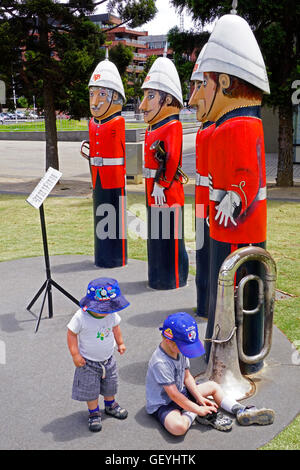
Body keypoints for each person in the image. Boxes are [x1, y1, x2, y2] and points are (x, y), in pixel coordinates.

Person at [196, 12, 270, 372]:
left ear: (224, 82)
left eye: (205, 84)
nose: (200, 93)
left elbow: (250, 172)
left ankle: (242, 355)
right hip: (222, 227)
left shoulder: (242, 124)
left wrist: (236, 195)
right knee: (221, 290)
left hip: (241, 230)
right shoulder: (223, 127)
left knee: (239, 290)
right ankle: (219, 345)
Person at [146, 312, 275, 436]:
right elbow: (173, 395)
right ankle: (195, 413)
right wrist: (197, 409)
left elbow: (187, 376)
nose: (186, 350)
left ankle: (239, 409)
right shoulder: (160, 362)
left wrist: (199, 397)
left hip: (181, 393)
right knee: (178, 428)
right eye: (185, 346)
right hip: (165, 403)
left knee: (213, 386)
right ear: (169, 341)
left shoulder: (179, 350)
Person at [139, 54, 189, 290]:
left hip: (165, 189)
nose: (142, 104)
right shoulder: (153, 127)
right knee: (156, 236)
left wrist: (162, 183)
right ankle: (158, 274)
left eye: (150, 96)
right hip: (153, 188)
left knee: (170, 237)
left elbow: (171, 158)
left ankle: (173, 277)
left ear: (167, 98)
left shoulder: (173, 125)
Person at [81, 51, 127, 268]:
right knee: (100, 215)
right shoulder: (92, 123)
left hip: (114, 178)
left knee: (113, 216)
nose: (95, 102)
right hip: (97, 176)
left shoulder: (117, 122)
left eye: (101, 95)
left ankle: (116, 257)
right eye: (92, 95)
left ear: (115, 97)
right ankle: (103, 255)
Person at [67, 277, 129, 432]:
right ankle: (94, 412)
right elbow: (71, 334)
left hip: (108, 360)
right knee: (90, 390)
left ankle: (110, 405)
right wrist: (75, 355)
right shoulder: (81, 316)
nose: (107, 312)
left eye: (109, 308)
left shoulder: (111, 314)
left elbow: (115, 327)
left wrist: (120, 342)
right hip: (88, 363)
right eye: (103, 309)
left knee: (111, 384)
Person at [188, 43, 215, 317]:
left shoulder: (219, 129)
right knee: (202, 255)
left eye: (201, 87)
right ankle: (204, 301)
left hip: (212, 208)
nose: (193, 99)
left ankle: (209, 304)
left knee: (211, 258)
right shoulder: (204, 128)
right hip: (200, 204)